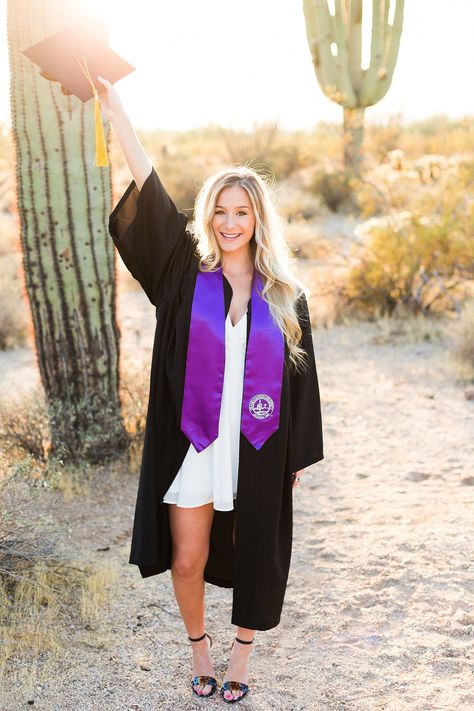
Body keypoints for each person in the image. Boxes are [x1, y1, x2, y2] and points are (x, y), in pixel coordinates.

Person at [98, 75, 324, 704]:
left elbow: (304, 384)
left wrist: (294, 458)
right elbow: (150, 188)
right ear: (208, 217)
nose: (229, 223)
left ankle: (242, 661)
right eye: (220, 212)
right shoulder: (184, 275)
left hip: (257, 442)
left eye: (241, 212)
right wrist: (117, 112)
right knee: (189, 558)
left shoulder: (286, 297)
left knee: (255, 555)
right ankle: (200, 651)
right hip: (193, 439)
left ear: (258, 219)